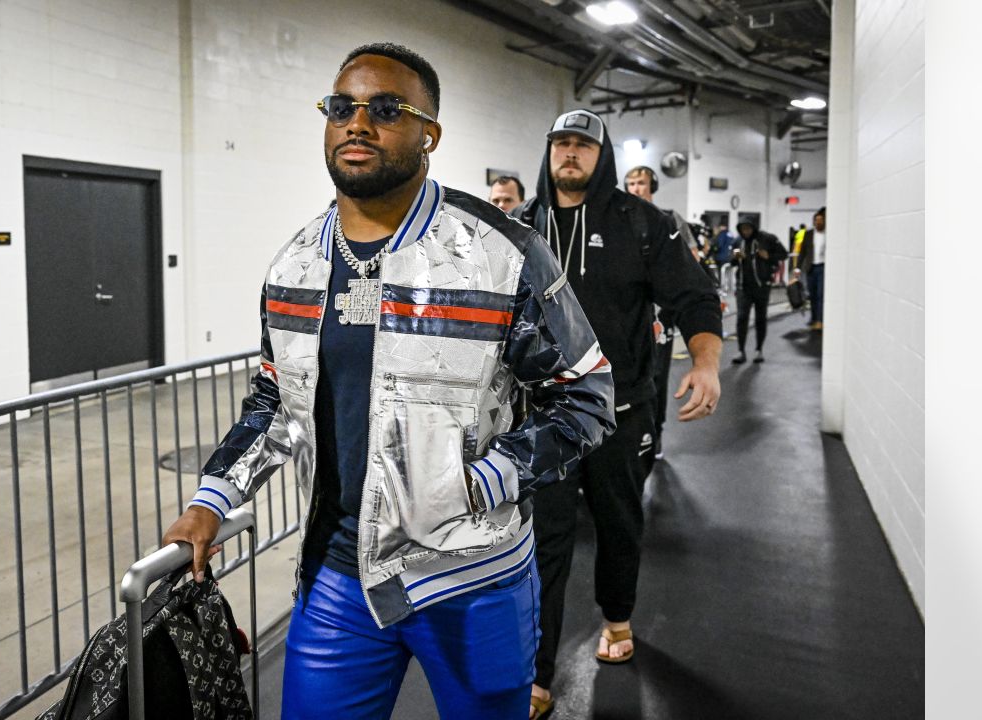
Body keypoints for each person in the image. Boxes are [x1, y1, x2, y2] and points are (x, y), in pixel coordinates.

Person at [159, 44, 616, 720]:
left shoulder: (500, 254)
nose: (358, 124)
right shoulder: (296, 265)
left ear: (429, 134)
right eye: (341, 107)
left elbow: (587, 396)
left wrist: (478, 483)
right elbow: (274, 404)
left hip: (473, 578)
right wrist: (211, 501)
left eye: (385, 110)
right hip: (341, 582)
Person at [512, 109, 722, 712]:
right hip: (542, 416)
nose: (570, 154)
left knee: (618, 523)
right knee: (543, 542)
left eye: (583, 144)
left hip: (618, 410)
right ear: (548, 152)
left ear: (600, 156)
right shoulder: (522, 227)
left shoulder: (641, 224)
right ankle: (539, 671)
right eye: (561, 144)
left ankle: (619, 619)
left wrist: (704, 364)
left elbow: (696, 298)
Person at [622, 165, 695, 460]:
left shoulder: (668, 219)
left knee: (657, 375)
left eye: (640, 183)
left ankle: (656, 433)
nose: (635, 188)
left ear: (652, 185)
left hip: (660, 315)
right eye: (630, 183)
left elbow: (690, 263)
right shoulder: (618, 219)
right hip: (626, 314)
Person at [729, 218, 789, 364]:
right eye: (743, 229)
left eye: (748, 229)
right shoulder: (738, 242)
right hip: (743, 286)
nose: (746, 232)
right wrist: (736, 257)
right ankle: (740, 351)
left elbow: (784, 254)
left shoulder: (767, 239)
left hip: (762, 286)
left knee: (760, 318)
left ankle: (758, 350)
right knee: (742, 318)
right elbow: (732, 261)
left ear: (753, 228)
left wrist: (768, 256)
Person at [795, 207, 827, 330]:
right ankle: (813, 318)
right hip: (811, 268)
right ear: (813, 222)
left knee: (820, 295)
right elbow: (802, 252)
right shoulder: (808, 234)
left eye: (820, 220)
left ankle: (820, 320)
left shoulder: (828, 234)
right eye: (816, 220)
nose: (818, 222)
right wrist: (797, 268)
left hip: (822, 267)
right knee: (812, 295)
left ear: (824, 221)